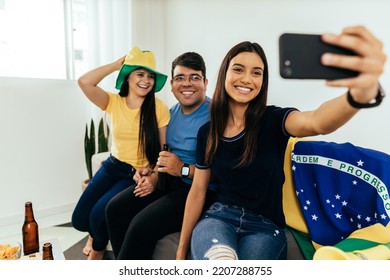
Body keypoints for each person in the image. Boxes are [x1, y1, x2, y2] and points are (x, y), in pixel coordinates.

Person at [176, 25, 386, 260]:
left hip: (265, 227)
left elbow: (316, 121)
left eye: (257, 72)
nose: (247, 78)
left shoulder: (274, 119)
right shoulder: (208, 132)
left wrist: (358, 95)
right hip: (219, 218)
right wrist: (181, 250)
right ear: (224, 73)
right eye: (238, 69)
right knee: (219, 261)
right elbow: (197, 192)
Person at [105, 51, 216, 259]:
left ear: (205, 82)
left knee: (140, 225)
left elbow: (222, 173)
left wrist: (182, 168)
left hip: (198, 191)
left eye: (195, 77)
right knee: (115, 209)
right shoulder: (170, 112)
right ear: (172, 84)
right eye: (180, 78)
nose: (187, 84)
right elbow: (164, 154)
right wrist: (152, 173)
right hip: (168, 182)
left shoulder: (216, 115)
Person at [71, 47, 170, 260]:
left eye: (150, 76)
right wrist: (116, 65)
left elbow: (164, 150)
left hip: (135, 173)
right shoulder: (113, 102)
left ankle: (98, 247)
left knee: (99, 215)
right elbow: (84, 82)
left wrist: (152, 174)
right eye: (140, 74)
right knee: (79, 219)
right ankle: (95, 236)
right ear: (127, 77)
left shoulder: (158, 108)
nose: (146, 80)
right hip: (113, 165)